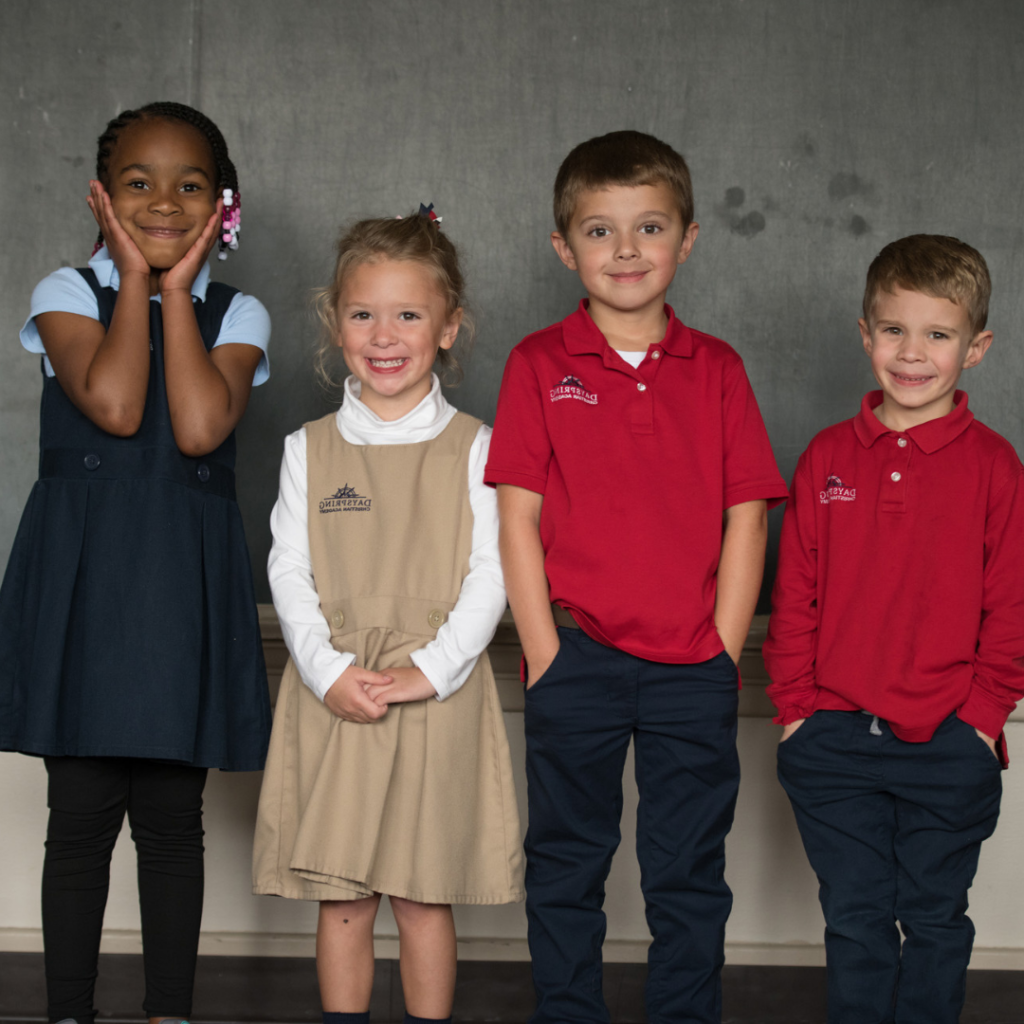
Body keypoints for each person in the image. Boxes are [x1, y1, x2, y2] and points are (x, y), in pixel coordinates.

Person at [486, 130, 788, 1024]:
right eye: (600, 230)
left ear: (687, 238)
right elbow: (517, 515)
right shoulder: (539, 365)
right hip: (575, 657)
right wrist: (543, 653)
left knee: (687, 869)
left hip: (691, 666)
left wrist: (723, 652)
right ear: (563, 247)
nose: (626, 250)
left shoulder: (720, 369)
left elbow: (747, 516)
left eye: (649, 227)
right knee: (567, 862)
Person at [0, 102, 271, 1024]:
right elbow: (115, 404)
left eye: (190, 186)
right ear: (102, 198)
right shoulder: (65, 291)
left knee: (169, 821)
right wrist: (130, 279)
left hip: (178, 585)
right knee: (77, 821)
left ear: (220, 207)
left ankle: (169, 1013)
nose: (163, 202)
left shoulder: (240, 313)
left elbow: (196, 427)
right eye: (138, 185)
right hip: (84, 579)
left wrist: (174, 295)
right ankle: (68, 1010)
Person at [253, 212, 523, 1024]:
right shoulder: (310, 447)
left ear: (448, 329)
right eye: (364, 313)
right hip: (338, 693)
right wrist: (328, 671)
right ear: (336, 326)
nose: (385, 334)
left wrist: (431, 671)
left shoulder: (479, 446)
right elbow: (288, 569)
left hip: (435, 694)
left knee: (420, 894)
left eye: (409, 314)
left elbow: (494, 572)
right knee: (342, 900)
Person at [763, 234, 1024, 1023]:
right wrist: (797, 713)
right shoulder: (827, 458)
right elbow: (796, 593)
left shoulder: (995, 467)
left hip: (948, 742)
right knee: (856, 922)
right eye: (894, 331)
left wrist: (981, 720)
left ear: (975, 348)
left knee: (937, 921)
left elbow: (1010, 609)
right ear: (864, 334)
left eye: (937, 335)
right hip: (835, 740)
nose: (912, 354)